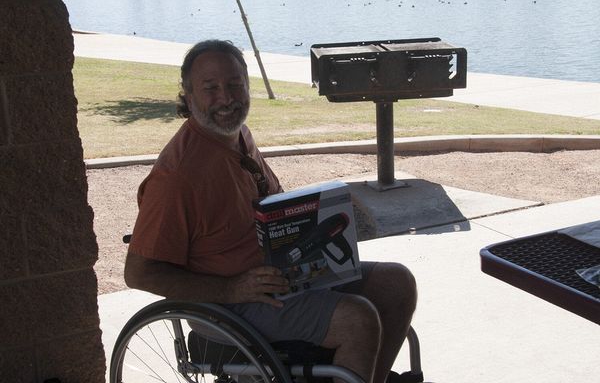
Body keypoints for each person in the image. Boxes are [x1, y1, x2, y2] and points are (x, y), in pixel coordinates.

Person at [124, 39, 417, 383]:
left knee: (397, 283)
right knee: (357, 319)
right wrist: (232, 289)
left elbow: (272, 205)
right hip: (230, 304)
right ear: (188, 96)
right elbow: (139, 274)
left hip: (282, 274)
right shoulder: (178, 176)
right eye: (211, 88)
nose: (227, 98)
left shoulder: (238, 135)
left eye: (235, 84)